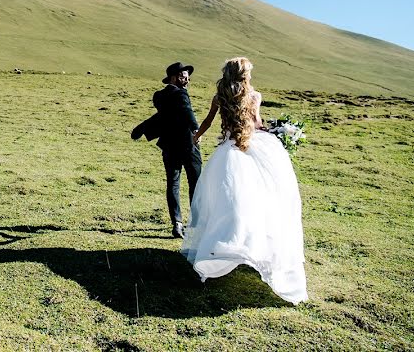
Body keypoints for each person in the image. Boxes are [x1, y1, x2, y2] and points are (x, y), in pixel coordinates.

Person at [183, 57, 307, 304]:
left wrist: (196, 137)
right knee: (263, 198)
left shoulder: (219, 97)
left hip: (228, 151)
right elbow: (257, 124)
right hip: (251, 147)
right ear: (244, 75)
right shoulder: (254, 96)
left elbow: (208, 121)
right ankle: (252, 246)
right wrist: (277, 132)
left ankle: (223, 244)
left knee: (225, 201)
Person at [132, 61, 201, 238]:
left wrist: (142, 128)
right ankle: (196, 223)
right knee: (196, 182)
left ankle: (177, 223)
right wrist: (196, 130)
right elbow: (186, 112)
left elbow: (162, 116)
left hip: (169, 144)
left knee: (173, 183)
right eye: (185, 75)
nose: (188, 79)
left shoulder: (159, 96)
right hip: (187, 144)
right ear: (176, 77)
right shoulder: (181, 94)